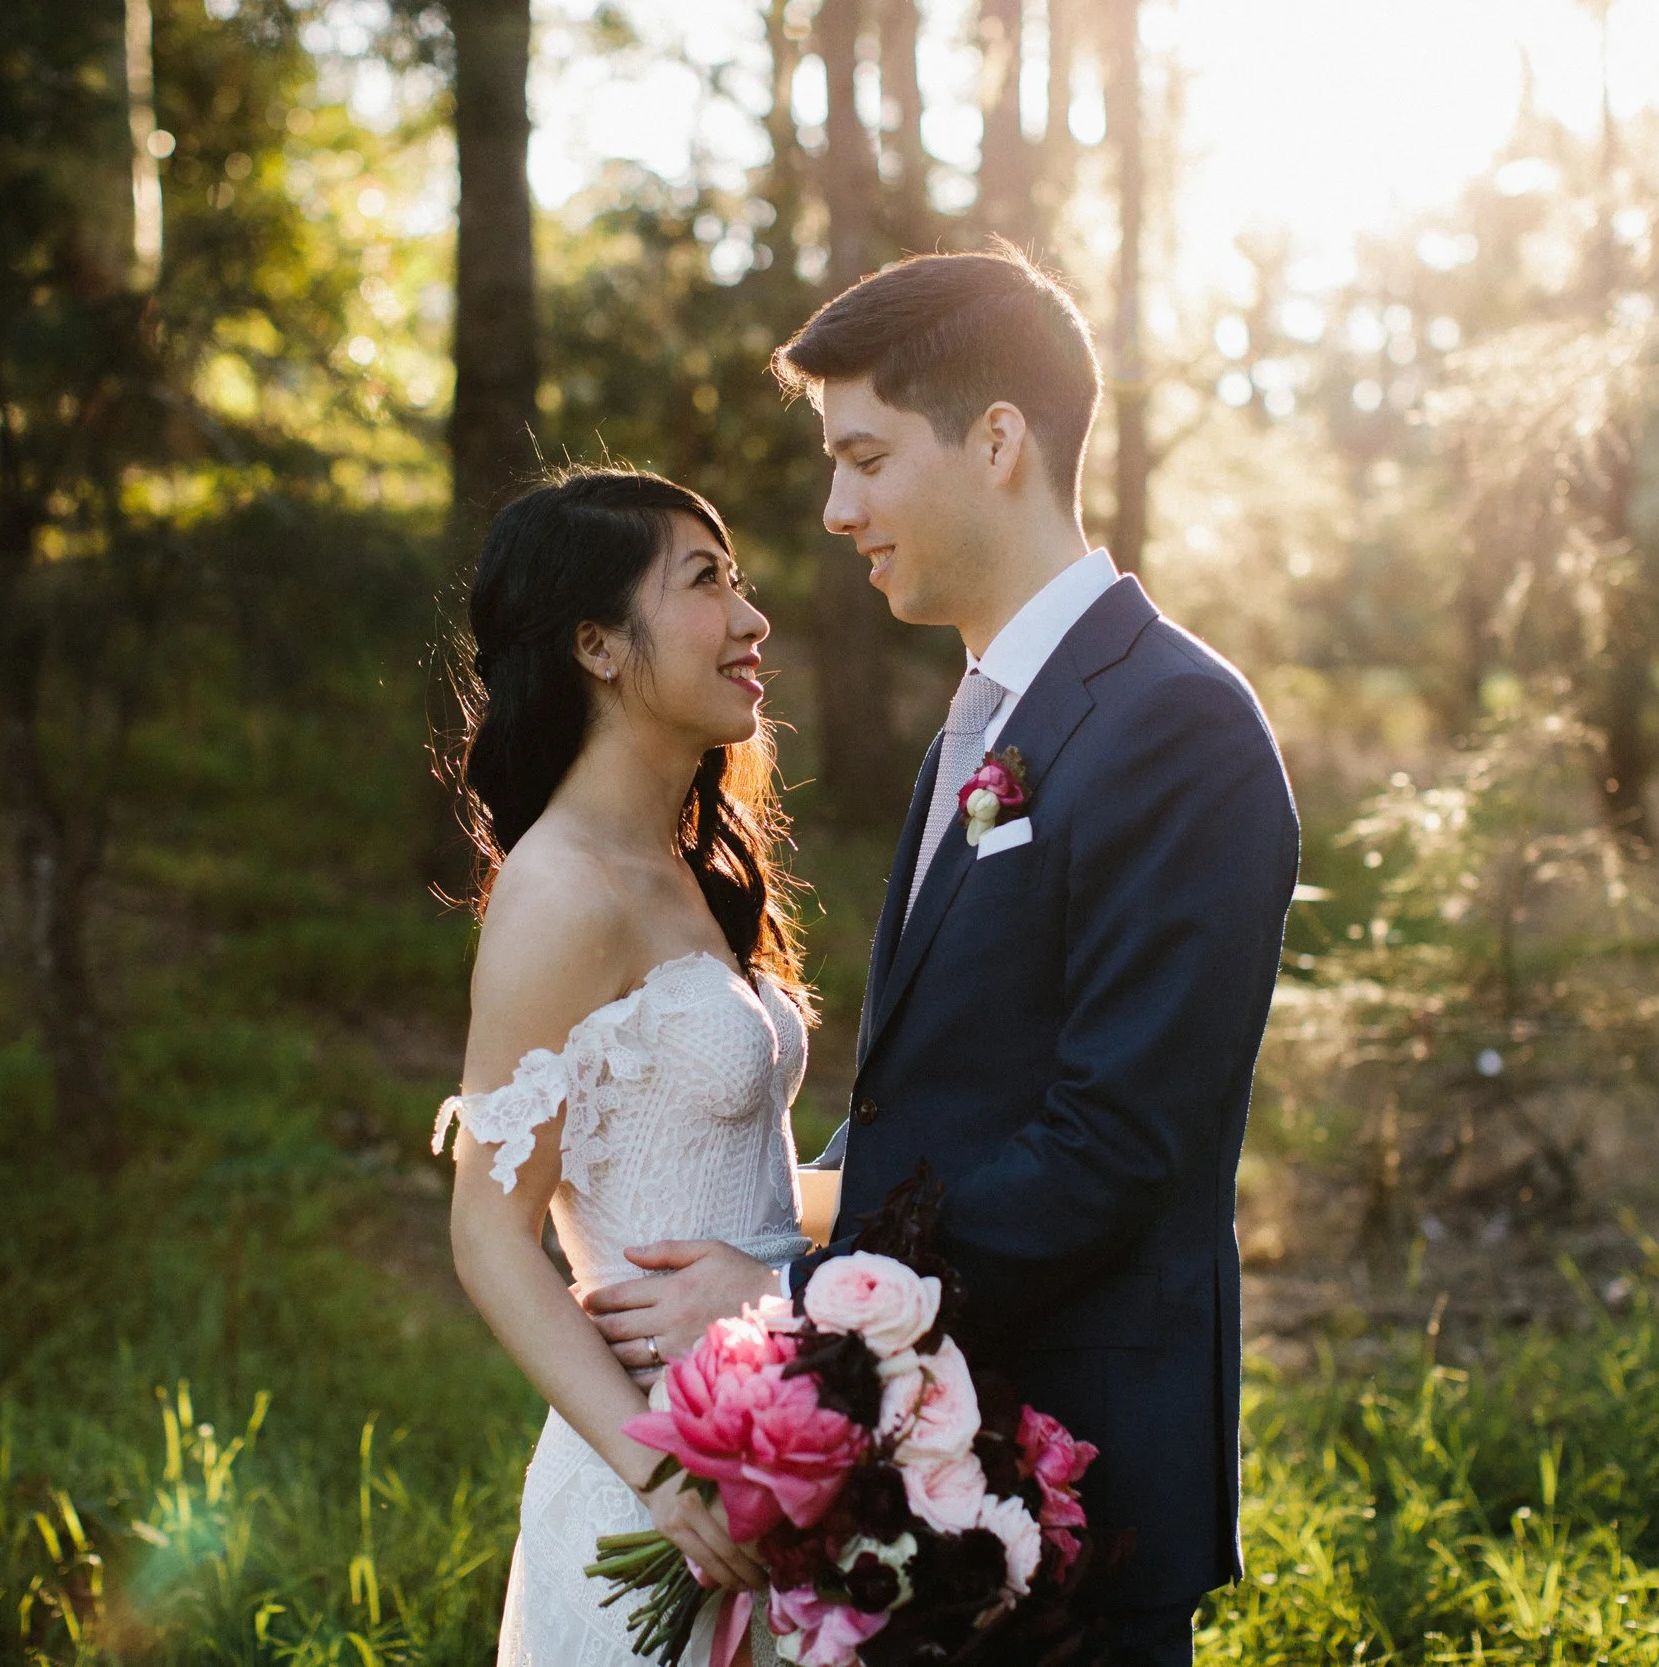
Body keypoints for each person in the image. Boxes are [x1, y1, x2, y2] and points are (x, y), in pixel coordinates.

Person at [578, 249, 1301, 1667]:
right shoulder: (987, 713)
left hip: (1080, 1475)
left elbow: (1116, 1144)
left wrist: (788, 1286)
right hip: (922, 1457)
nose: (836, 510)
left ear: (996, 438)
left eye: (864, 458)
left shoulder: (1175, 721)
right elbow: (954, 1089)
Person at [434, 467, 810, 1664]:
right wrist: (662, 1469)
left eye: (739, 581)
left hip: (781, 1453)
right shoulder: (557, 889)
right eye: (708, 582)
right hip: (651, 1490)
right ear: (596, 642)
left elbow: (743, 1179)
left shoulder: (691, 865)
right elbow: (490, 1234)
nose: (750, 621)